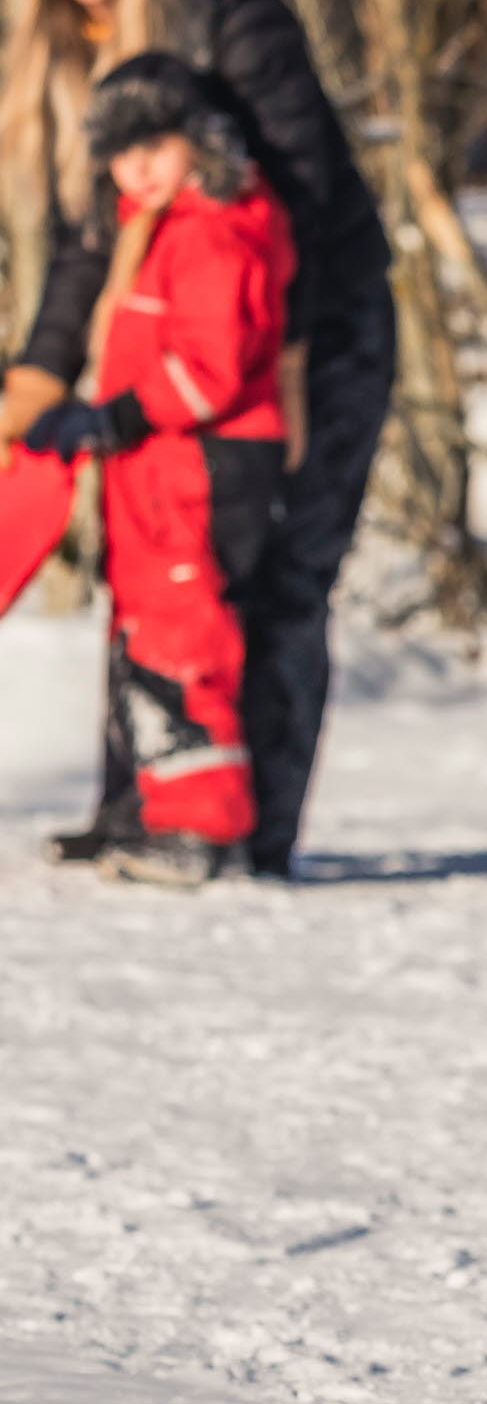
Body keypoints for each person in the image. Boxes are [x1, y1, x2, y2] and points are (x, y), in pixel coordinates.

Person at [0, 0, 393, 877]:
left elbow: (303, 189)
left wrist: (292, 366)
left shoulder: (224, 15)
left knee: (278, 577)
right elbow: (89, 242)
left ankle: (249, 835)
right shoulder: (74, 47)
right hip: (196, 356)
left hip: (312, 329)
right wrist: (37, 377)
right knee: (154, 576)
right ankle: (140, 807)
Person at [0, 54, 295, 886]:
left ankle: (199, 821)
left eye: (154, 146)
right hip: (152, 465)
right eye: (122, 155)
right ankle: (137, 807)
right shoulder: (153, 227)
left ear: (199, 139)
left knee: (182, 624)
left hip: (201, 462)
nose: (138, 169)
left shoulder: (214, 229)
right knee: (138, 627)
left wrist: (114, 416)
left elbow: (211, 369)